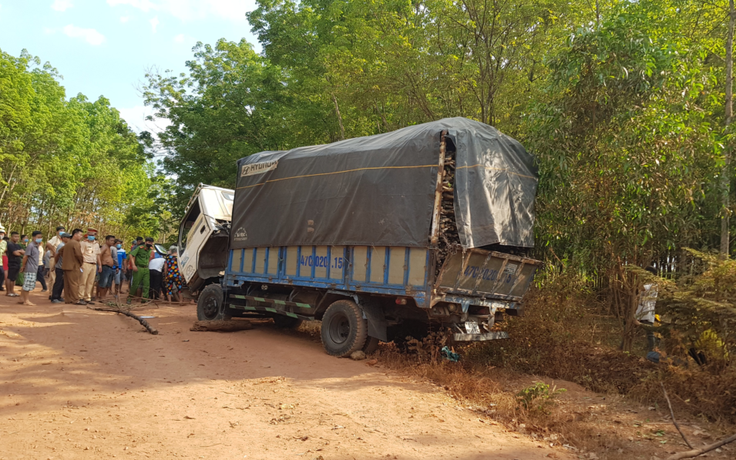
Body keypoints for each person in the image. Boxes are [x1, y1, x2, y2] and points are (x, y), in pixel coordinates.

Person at [635, 266, 660, 354]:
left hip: (647, 310)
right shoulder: (652, 284)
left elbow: (641, 288)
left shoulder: (653, 285)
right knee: (630, 327)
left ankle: (652, 351)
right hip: (642, 309)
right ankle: (623, 347)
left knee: (650, 333)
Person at [59, 229, 84, 305]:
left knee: (67, 284)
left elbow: (60, 251)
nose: (81, 237)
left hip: (66, 266)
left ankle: (68, 299)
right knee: (74, 283)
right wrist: (81, 262)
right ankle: (75, 299)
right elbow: (78, 255)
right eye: (80, 235)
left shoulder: (68, 243)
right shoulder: (75, 243)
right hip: (73, 266)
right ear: (75, 235)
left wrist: (67, 258)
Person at [19, 231, 43, 306]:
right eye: (38, 237)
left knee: (26, 284)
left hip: (34, 267)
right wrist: (23, 266)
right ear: (33, 237)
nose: (40, 239)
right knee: (28, 285)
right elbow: (25, 256)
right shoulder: (31, 246)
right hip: (30, 268)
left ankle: (21, 298)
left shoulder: (37, 246)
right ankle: (26, 300)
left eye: (40, 237)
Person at [79, 228, 101, 305]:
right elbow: (81, 254)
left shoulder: (96, 244)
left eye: (92, 235)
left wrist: (100, 265)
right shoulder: (83, 243)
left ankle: (87, 298)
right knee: (83, 281)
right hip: (86, 263)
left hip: (94, 264)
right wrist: (81, 264)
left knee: (91, 282)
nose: (91, 236)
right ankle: (80, 297)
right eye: (89, 235)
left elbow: (98, 255)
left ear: (95, 235)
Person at [128, 237, 153, 303]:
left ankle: (144, 299)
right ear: (145, 242)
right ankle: (129, 298)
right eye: (148, 242)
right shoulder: (140, 248)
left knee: (146, 285)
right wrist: (133, 265)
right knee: (135, 284)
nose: (149, 243)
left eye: (151, 242)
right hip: (139, 268)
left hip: (146, 268)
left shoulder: (150, 249)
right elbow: (131, 255)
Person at [50, 233, 71, 303]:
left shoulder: (66, 245)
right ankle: (54, 297)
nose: (69, 239)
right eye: (68, 238)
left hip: (63, 266)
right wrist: (55, 264)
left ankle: (58, 296)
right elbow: (57, 255)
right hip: (59, 266)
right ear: (63, 238)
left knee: (62, 282)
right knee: (58, 282)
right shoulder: (61, 245)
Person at [97, 235, 116, 301]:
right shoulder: (104, 247)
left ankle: (103, 296)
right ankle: (101, 296)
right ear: (107, 240)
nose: (112, 242)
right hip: (105, 266)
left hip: (110, 267)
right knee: (103, 282)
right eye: (111, 240)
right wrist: (100, 265)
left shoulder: (109, 248)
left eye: (113, 241)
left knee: (108, 283)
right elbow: (99, 255)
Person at [5, 232, 24, 297]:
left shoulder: (18, 245)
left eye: (18, 237)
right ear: (11, 237)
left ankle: (12, 291)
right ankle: (8, 292)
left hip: (17, 263)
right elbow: (16, 253)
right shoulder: (10, 244)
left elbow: (23, 252)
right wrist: (19, 252)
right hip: (11, 262)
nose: (17, 238)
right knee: (9, 277)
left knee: (14, 278)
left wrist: (19, 252)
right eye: (15, 236)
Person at [0, 227, 6, 291]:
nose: (1, 235)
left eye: (2, 234)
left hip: (1, 261)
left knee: (2, 273)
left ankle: (0, 286)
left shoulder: (4, 242)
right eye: (0, 233)